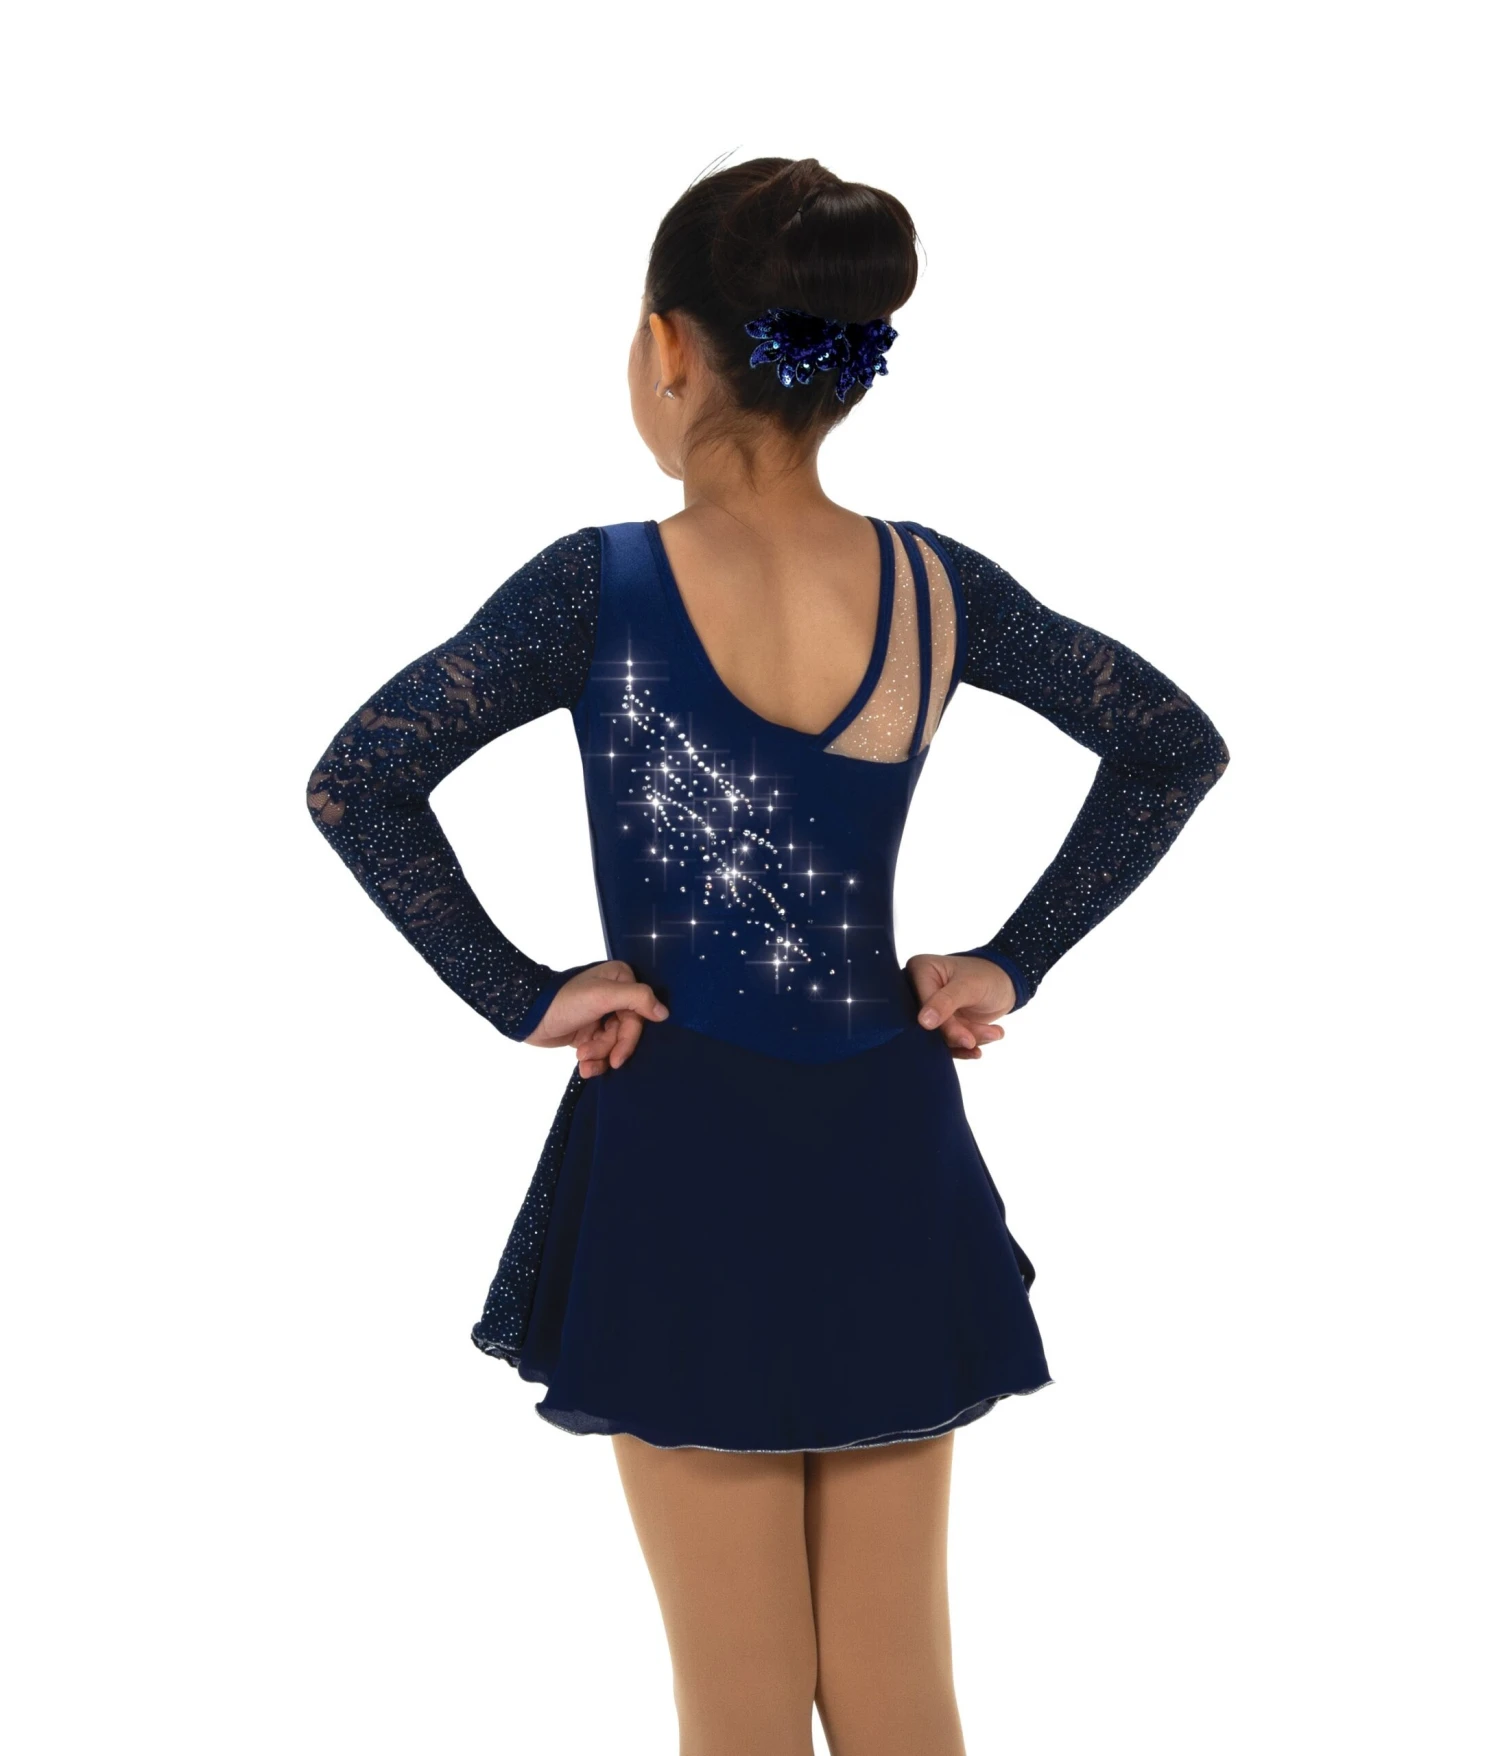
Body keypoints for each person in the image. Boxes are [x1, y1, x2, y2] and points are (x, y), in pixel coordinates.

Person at [306, 156, 1230, 1756]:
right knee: (898, 1686)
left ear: (669, 346)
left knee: (736, 1700)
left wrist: (527, 992)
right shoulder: (935, 587)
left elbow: (359, 781)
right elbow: (1171, 745)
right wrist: (1009, 961)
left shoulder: (597, 587)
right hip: (887, 1144)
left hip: (686, 1152)